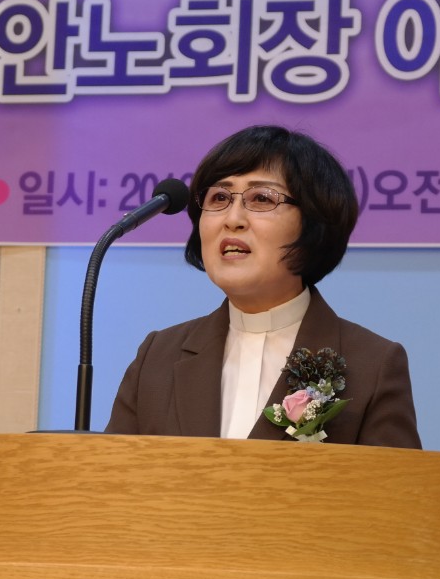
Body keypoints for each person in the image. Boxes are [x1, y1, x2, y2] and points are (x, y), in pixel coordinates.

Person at [104, 125, 421, 448]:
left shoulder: (372, 363)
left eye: (261, 198)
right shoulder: (157, 356)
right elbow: (113, 475)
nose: (233, 219)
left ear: (313, 224)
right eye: (219, 198)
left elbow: (396, 482)